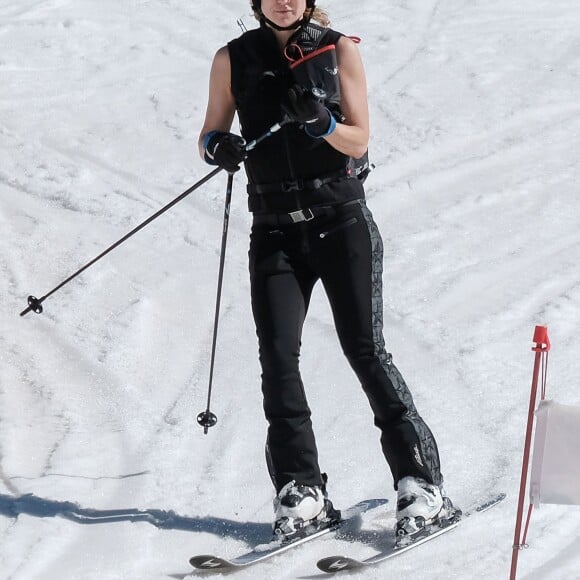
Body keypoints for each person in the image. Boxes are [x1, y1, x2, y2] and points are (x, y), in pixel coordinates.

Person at [198, 0, 457, 542]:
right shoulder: (232, 58)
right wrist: (218, 146)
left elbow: (360, 138)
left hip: (340, 222)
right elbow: (209, 131)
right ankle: (301, 489)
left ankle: (420, 483)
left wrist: (323, 123)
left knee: (364, 349)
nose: (283, 1)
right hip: (273, 230)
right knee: (277, 357)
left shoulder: (339, 50)